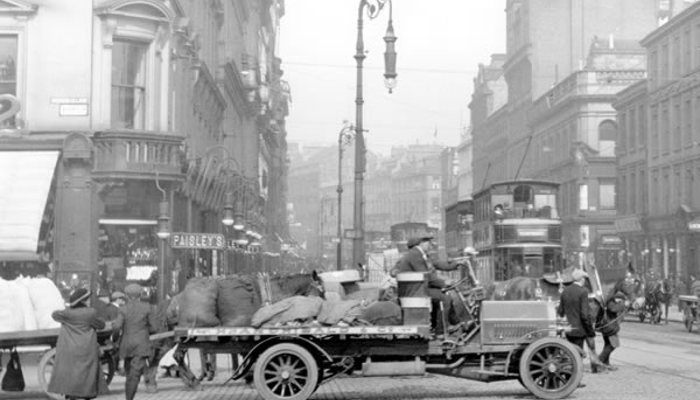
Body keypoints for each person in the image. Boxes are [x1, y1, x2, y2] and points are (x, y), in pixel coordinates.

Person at [395, 235, 461, 337]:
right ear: (421, 243)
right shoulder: (415, 255)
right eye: (428, 242)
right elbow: (426, 276)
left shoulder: (420, 254)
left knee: (443, 295)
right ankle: (441, 331)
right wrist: (444, 283)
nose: (430, 245)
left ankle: (453, 323)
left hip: (418, 288)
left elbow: (437, 264)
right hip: (414, 291)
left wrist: (456, 264)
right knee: (445, 298)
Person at [48, 288, 107, 400]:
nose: (89, 301)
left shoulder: (66, 314)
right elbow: (101, 325)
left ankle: (70, 394)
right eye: (87, 299)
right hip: (86, 348)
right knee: (87, 373)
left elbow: (54, 315)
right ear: (82, 301)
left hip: (69, 348)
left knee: (70, 372)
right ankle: (86, 394)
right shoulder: (90, 312)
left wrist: (70, 307)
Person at [113, 284, 158, 400]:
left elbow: (117, 326)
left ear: (126, 295)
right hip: (141, 345)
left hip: (126, 344)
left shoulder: (123, 308)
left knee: (130, 373)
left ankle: (129, 395)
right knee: (134, 375)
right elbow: (154, 328)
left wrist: (115, 338)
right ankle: (129, 398)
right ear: (140, 295)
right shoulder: (147, 307)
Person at [557, 269, 606, 374]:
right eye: (584, 278)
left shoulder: (565, 291)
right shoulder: (583, 291)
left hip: (568, 329)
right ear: (582, 279)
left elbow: (560, 311)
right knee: (578, 356)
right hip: (579, 330)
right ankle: (575, 379)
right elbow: (584, 315)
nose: (584, 280)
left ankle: (568, 376)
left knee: (570, 353)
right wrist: (590, 331)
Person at [597, 290, 629, 370]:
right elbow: (613, 309)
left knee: (608, 344)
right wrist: (623, 304)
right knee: (613, 345)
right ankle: (599, 361)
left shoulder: (612, 301)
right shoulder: (611, 302)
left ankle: (606, 363)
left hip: (609, 326)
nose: (619, 300)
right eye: (619, 299)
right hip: (609, 326)